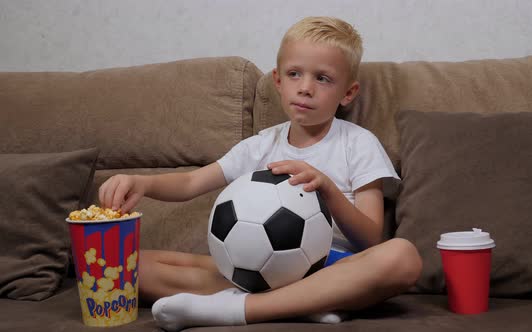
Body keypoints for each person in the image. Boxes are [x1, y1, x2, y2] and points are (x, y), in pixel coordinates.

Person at [99, 16, 422, 331]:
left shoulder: (358, 144)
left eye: (323, 78)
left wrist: (327, 190)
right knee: (119, 263)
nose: (306, 88)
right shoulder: (261, 146)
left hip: (333, 269)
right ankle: (305, 305)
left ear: (347, 93)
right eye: (295, 74)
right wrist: (141, 182)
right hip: (256, 268)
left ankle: (238, 309)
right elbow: (191, 182)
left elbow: (371, 240)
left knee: (402, 256)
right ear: (278, 81)